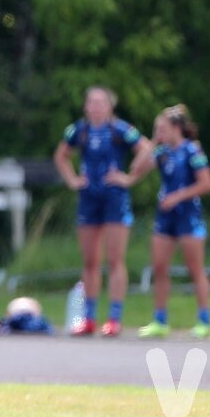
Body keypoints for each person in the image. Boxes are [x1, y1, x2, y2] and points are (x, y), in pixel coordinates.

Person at [106, 105, 210, 339]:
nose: (159, 132)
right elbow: (136, 168)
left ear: (176, 128)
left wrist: (178, 196)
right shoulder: (162, 152)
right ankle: (160, 319)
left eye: (162, 129)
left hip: (188, 215)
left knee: (195, 268)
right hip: (165, 217)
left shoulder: (191, 151)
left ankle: (204, 320)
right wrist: (153, 143)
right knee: (159, 267)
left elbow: (206, 184)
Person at [53, 86, 153, 337]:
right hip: (89, 197)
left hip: (114, 198)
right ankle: (88, 318)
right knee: (90, 260)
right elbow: (61, 156)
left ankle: (114, 318)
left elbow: (148, 150)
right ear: (86, 107)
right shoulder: (79, 130)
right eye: (92, 103)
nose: (96, 107)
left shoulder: (120, 130)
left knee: (115, 259)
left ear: (110, 107)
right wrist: (73, 180)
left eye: (101, 103)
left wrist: (130, 178)